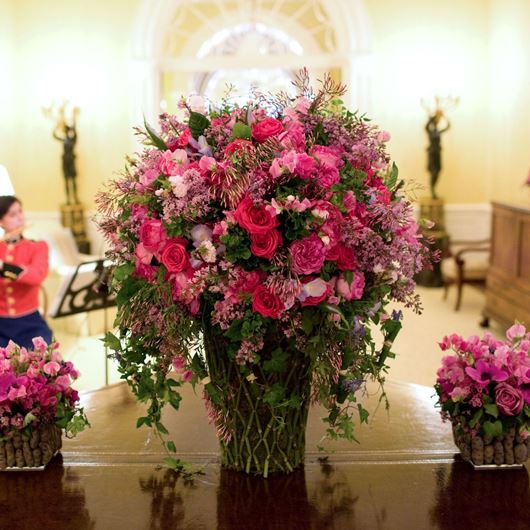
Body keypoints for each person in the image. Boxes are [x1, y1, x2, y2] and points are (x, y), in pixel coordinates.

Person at [0, 195, 53, 348]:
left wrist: (4, 267)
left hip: (30, 322)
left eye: (20, 212)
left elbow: (37, 276)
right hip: (1, 324)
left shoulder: (37, 247)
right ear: (1, 222)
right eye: (12, 214)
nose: (20, 218)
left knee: (44, 364)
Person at [425, 108, 450, 200]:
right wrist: (432, 117)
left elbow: (448, 126)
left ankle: (433, 190)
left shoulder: (439, 132)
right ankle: (432, 190)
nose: (436, 123)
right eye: (435, 121)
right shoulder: (430, 131)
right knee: (433, 172)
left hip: (438, 153)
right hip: (432, 153)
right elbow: (426, 126)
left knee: (438, 172)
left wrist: (443, 116)